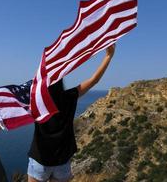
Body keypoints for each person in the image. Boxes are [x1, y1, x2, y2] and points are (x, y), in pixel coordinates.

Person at [27, 44, 115, 182]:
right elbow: (93, 81)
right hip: (62, 162)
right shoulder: (69, 96)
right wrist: (108, 56)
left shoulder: (36, 101)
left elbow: (5, 117)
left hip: (40, 160)